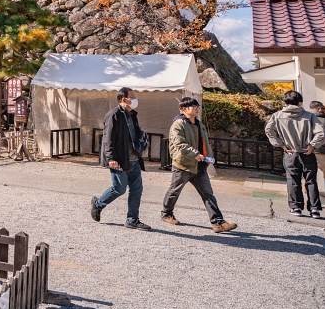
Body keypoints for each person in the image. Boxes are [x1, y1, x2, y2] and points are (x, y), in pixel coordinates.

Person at [161, 97, 237, 233]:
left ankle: (218, 222)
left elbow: (205, 143)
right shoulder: (178, 124)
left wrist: (208, 156)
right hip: (183, 165)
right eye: (193, 106)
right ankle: (166, 214)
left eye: (198, 106)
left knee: (208, 194)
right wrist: (194, 153)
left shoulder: (199, 124)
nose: (197, 109)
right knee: (174, 191)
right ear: (184, 109)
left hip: (200, 166)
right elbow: (179, 144)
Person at [91, 88, 151, 230]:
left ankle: (132, 220)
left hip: (134, 159)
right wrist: (111, 157)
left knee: (137, 189)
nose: (135, 99)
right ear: (124, 99)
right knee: (119, 188)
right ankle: (98, 204)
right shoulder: (113, 115)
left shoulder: (132, 115)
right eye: (133, 97)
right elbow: (108, 139)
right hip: (120, 159)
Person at [265, 90, 325, 218]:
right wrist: (312, 145)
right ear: (300, 103)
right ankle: (314, 209)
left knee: (293, 181)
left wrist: (281, 144)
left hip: (290, 152)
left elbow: (269, 130)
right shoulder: (309, 116)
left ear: (285, 102)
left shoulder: (277, 116)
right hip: (307, 152)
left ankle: (296, 207)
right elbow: (321, 133)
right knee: (311, 181)